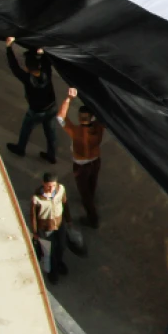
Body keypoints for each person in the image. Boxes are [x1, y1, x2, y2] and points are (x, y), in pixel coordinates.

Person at [56, 88, 106, 229]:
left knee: (85, 193)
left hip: (81, 165)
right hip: (95, 160)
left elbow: (60, 117)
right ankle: (92, 196)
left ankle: (92, 218)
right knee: (92, 182)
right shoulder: (98, 127)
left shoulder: (76, 132)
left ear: (79, 118)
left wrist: (69, 99)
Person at [4, 37, 57, 162]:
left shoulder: (27, 79)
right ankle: (51, 154)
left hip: (36, 110)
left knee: (26, 129)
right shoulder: (46, 73)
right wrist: (41, 55)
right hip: (51, 107)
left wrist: (8, 48)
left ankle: (20, 148)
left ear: (27, 67)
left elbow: (14, 67)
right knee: (50, 133)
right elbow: (46, 62)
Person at [30, 172, 71, 284]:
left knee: (61, 246)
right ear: (43, 183)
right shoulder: (37, 198)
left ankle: (59, 262)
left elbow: (65, 204)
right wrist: (35, 232)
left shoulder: (61, 190)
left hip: (59, 223)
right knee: (49, 251)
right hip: (45, 227)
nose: (51, 188)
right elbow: (33, 216)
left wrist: (68, 219)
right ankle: (52, 272)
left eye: (53, 185)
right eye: (48, 186)